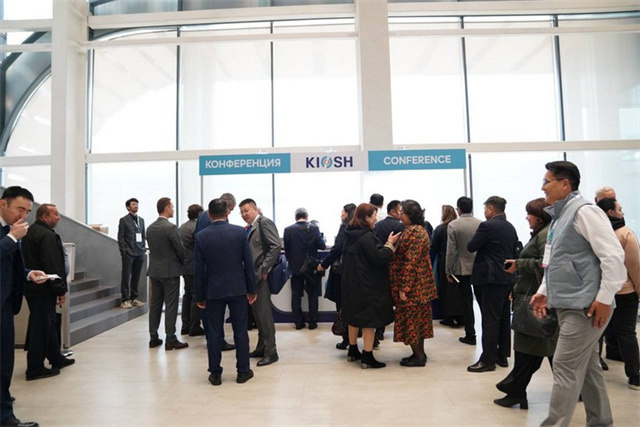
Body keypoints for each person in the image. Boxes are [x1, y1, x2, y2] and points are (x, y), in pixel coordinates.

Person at [530, 161, 626, 426]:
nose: (542, 187)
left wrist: (604, 299)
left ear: (565, 184)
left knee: (564, 367)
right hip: (569, 303)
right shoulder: (560, 217)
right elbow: (556, 261)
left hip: (585, 307)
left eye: (547, 181)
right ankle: (601, 422)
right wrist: (544, 291)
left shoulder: (585, 212)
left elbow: (613, 257)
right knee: (588, 369)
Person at [494, 198, 555, 409]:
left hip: (535, 299)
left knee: (530, 347)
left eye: (530, 214)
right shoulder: (542, 233)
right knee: (539, 348)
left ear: (539, 216)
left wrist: (519, 263)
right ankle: (516, 390)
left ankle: (516, 390)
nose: (527, 217)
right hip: (531, 296)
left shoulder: (545, 235)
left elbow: (547, 264)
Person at [194, 199, 256, 386]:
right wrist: (251, 289)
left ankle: (215, 373)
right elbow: (248, 263)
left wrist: (199, 296)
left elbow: (198, 270)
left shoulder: (201, 237)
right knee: (240, 331)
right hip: (238, 289)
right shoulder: (239, 232)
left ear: (209, 215)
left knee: (213, 333)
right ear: (227, 212)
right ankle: (243, 371)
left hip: (213, 291)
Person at [1, 186, 46, 427]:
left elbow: (10, 265)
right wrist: (11, 239)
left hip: (6, 305)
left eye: (27, 211)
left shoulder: (12, 230)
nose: (23, 215)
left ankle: (4, 411)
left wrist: (28, 274)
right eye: (20, 209)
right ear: (3, 204)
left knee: (5, 361)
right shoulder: (12, 234)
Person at [342, 203, 400, 369]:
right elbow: (378, 257)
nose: (376, 219)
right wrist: (389, 244)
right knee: (369, 319)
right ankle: (367, 356)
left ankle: (353, 349)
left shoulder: (349, 233)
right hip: (367, 284)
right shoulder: (366, 236)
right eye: (374, 216)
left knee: (353, 317)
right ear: (366, 217)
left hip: (352, 282)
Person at [21, 204, 75, 381]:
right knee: (41, 328)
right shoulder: (46, 235)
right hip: (43, 288)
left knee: (49, 324)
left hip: (35, 287)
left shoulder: (32, 231)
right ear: (44, 216)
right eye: (55, 214)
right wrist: (60, 289)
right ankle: (35, 368)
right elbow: (52, 265)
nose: (59, 217)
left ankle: (56, 358)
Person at [467, 196, 519, 373]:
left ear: (490, 209)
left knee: (489, 319)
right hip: (506, 276)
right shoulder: (510, 227)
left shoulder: (487, 226)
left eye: (485, 209)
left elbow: (471, 246)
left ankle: (487, 359)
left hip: (490, 278)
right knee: (503, 317)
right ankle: (502, 355)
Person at [596, 197, 640, 390]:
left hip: (600, 291)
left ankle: (594, 373)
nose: (623, 213)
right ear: (611, 212)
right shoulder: (625, 234)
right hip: (625, 291)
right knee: (626, 333)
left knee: (596, 332)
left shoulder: (596, 234)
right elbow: (635, 266)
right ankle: (635, 376)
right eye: (620, 209)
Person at [390, 200, 437, 367]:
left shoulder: (414, 233)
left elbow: (411, 262)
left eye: (402, 213)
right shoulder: (418, 230)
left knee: (412, 321)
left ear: (410, 215)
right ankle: (418, 354)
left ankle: (418, 357)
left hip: (415, 287)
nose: (400, 215)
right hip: (419, 285)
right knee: (418, 322)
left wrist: (405, 287)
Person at [239, 198, 281, 367]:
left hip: (260, 276)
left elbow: (275, 246)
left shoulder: (264, 223)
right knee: (257, 314)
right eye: (241, 212)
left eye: (246, 210)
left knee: (264, 315)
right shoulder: (250, 227)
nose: (244, 214)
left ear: (255, 209)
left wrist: (264, 269)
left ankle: (271, 352)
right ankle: (261, 347)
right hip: (252, 277)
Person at [146, 197, 188, 351]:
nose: (173, 210)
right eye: (172, 207)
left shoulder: (150, 228)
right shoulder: (170, 227)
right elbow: (180, 249)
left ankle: (153, 337)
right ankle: (171, 338)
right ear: (166, 208)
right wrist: (183, 262)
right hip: (170, 271)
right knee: (171, 305)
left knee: (155, 304)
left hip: (155, 271)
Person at [318, 203, 356, 349]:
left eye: (342, 212)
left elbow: (337, 249)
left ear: (347, 213)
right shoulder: (360, 228)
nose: (341, 214)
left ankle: (346, 338)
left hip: (341, 273)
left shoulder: (344, 228)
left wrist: (324, 264)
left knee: (342, 306)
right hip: (355, 272)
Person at [445, 196, 482, 345]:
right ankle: (488, 333)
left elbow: (451, 250)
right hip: (479, 266)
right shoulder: (480, 223)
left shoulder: (453, 225)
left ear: (458, 209)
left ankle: (470, 334)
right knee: (482, 301)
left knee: (467, 302)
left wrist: (448, 270)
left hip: (462, 267)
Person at [283, 207, 326, 330]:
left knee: (296, 294)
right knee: (312, 294)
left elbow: (287, 250)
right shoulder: (314, 228)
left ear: (295, 217)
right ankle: (312, 322)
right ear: (307, 217)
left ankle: (298, 322)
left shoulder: (288, 230)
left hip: (295, 267)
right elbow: (322, 246)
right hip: (311, 267)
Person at [373, 200, 405, 341]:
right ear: (392, 211)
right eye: (399, 211)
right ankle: (400, 328)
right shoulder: (401, 227)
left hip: (381, 265)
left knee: (381, 299)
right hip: (397, 267)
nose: (401, 214)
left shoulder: (377, 226)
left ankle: (379, 331)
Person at [430, 205, 461, 328]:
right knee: (459, 289)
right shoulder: (458, 227)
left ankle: (448, 317)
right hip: (459, 261)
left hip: (443, 261)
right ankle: (461, 316)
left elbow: (434, 246)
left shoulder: (440, 229)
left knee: (445, 289)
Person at [178, 204, 205, 336]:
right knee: (196, 296)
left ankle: (185, 325)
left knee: (187, 295)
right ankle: (194, 326)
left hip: (184, 265)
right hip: (194, 265)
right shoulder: (196, 227)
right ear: (199, 214)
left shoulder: (182, 227)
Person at [117, 198, 146, 309]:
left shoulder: (141, 220)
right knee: (126, 276)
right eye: (133, 204)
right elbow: (121, 237)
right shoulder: (124, 220)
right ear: (128, 207)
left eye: (137, 204)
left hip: (139, 252)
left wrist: (143, 248)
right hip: (128, 253)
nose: (136, 206)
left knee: (136, 276)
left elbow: (143, 236)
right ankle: (125, 299)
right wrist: (123, 251)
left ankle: (134, 298)